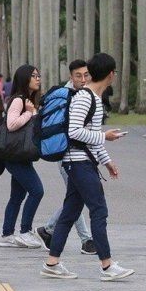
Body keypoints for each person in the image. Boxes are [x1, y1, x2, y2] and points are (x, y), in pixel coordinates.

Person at [40, 53, 134, 281]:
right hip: (78, 163)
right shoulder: (85, 98)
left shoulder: (92, 98)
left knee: (69, 213)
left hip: (80, 161)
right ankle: (107, 265)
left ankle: (52, 263)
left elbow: (90, 138)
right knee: (99, 211)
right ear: (111, 74)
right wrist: (105, 136)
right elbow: (74, 132)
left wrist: (107, 161)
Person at [36, 59, 96, 256]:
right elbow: (75, 130)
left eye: (86, 75)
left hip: (80, 155)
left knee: (75, 197)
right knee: (77, 197)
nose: (83, 79)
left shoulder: (84, 94)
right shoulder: (72, 97)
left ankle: (49, 230)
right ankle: (86, 240)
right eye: (78, 75)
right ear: (71, 77)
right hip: (68, 155)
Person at [0, 65, 44, 249]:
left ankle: (7, 235)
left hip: (20, 154)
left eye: (38, 75)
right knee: (37, 190)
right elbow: (11, 125)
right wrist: (28, 113)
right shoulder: (19, 100)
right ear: (25, 79)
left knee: (17, 195)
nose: (37, 79)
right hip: (14, 155)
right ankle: (25, 231)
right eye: (33, 76)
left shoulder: (29, 100)